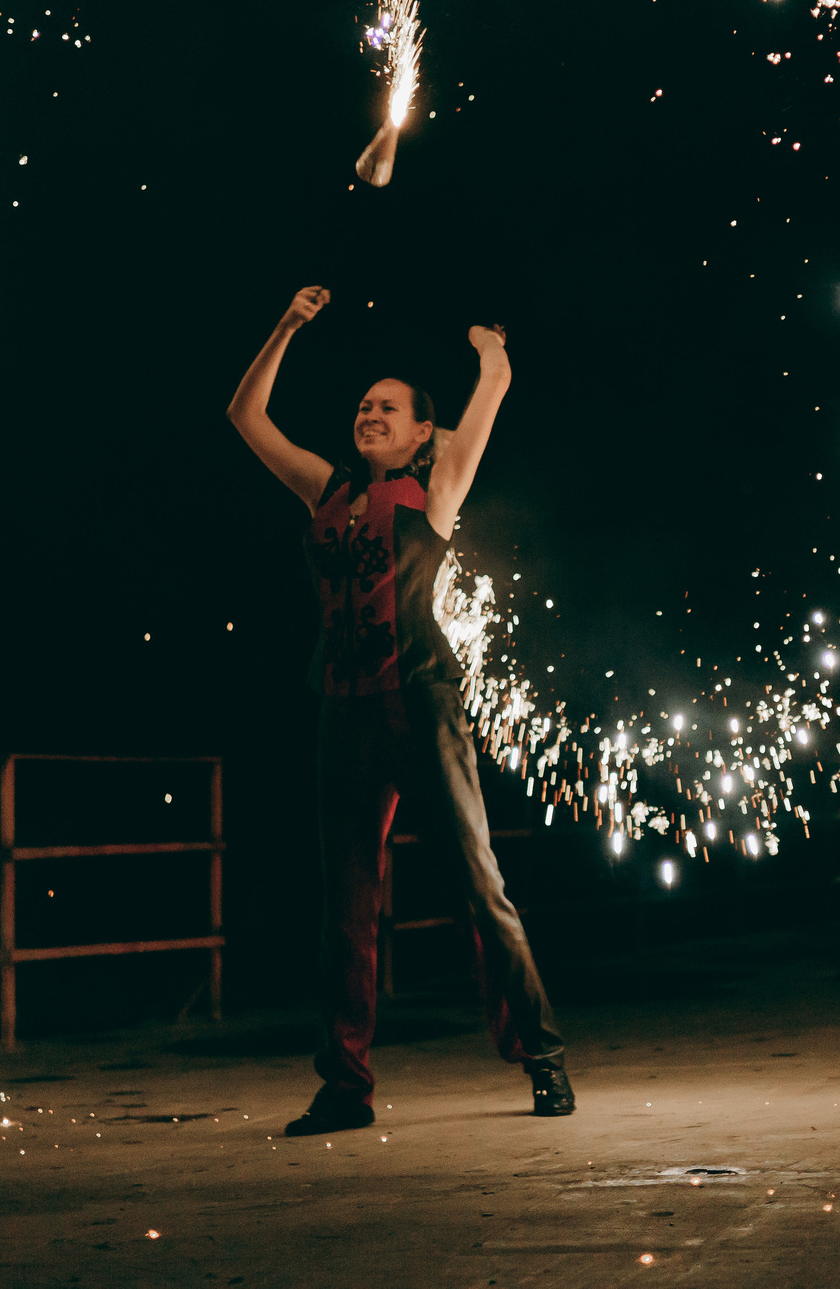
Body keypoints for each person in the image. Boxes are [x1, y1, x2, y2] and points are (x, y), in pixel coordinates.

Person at [226, 285, 572, 1136]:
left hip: (422, 703)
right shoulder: (326, 488)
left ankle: (543, 1055)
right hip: (342, 712)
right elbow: (245, 415)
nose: (368, 413)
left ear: (423, 432)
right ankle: (345, 1088)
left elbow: (495, 386)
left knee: (479, 887)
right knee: (344, 911)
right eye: (362, 404)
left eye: (387, 407)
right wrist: (286, 325)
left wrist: (486, 345)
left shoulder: (437, 488)